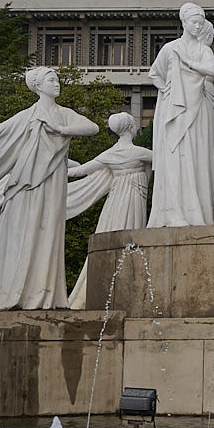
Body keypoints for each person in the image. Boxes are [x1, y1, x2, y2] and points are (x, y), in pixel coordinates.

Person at [0, 66, 98, 310]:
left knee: (48, 231)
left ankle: (42, 293)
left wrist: (63, 130)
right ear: (38, 86)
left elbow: (92, 127)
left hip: (53, 183)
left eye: (57, 79)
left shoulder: (64, 115)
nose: (56, 83)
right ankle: (12, 290)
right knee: (21, 231)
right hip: (25, 182)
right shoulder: (27, 116)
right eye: (50, 80)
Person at [64, 111, 155, 308]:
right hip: (132, 199)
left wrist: (57, 167)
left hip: (115, 201)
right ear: (131, 126)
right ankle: (127, 291)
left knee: (113, 236)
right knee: (132, 237)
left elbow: (81, 171)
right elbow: (166, 160)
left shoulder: (110, 154)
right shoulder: (139, 152)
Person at [148, 3, 214, 227]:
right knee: (176, 156)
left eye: (201, 23)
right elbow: (154, 73)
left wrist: (189, 62)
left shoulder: (203, 50)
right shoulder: (170, 48)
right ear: (184, 22)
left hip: (198, 109)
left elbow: (213, 70)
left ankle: (196, 211)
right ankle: (173, 209)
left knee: (197, 154)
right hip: (175, 109)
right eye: (194, 22)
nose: (198, 27)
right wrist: (165, 90)